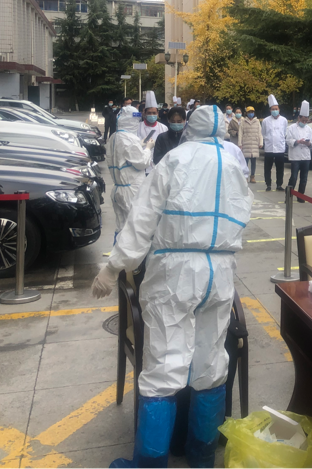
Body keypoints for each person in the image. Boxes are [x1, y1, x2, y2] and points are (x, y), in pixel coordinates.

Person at [92, 105, 253, 469]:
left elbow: (142, 220)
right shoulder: (234, 164)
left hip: (176, 272)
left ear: (189, 128)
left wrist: (113, 267)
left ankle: (150, 463)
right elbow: (243, 214)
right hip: (220, 271)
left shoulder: (175, 160)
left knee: (163, 368)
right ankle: (201, 456)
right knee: (211, 364)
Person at [106, 106, 154, 240]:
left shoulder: (114, 136)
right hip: (131, 191)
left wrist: (140, 144)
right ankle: (131, 254)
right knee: (135, 229)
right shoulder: (130, 139)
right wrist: (148, 148)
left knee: (121, 227)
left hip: (118, 189)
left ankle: (118, 252)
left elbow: (123, 154)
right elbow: (142, 162)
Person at [285, 101, 312, 203]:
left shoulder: (309, 129)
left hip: (306, 156)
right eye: (303, 120)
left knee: (304, 178)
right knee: (294, 177)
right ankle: (288, 196)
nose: (304, 122)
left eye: (306, 121)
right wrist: (297, 142)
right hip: (295, 156)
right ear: (299, 118)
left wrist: (308, 143)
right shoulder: (291, 128)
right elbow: (288, 140)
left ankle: (301, 196)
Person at [138, 92, 169, 175]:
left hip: (159, 167)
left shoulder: (163, 128)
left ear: (157, 113)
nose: (152, 115)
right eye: (149, 113)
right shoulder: (138, 127)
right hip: (142, 166)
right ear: (144, 113)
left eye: (154, 113)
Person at [261, 94, 287, 191]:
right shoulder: (265, 121)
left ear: (279, 109)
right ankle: (268, 184)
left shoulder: (284, 120)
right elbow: (263, 133)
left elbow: (284, 132)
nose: (275, 110)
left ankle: (279, 184)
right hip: (269, 148)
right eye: (273, 109)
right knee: (268, 168)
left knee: (280, 168)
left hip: (280, 148)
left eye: (276, 109)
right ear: (270, 110)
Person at [238, 106, 262, 184]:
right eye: (249, 112)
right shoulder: (243, 121)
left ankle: (252, 176)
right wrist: (240, 143)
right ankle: (245, 177)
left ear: (254, 113)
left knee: (253, 162)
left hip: (254, 144)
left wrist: (261, 142)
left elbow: (260, 133)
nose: (251, 114)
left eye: (252, 112)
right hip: (246, 144)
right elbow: (240, 133)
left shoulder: (257, 121)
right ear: (246, 113)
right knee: (245, 162)